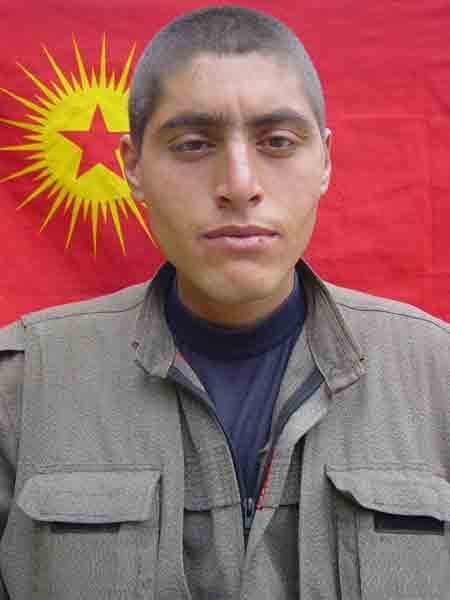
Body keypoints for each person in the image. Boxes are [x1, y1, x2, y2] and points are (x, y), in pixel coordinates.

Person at [0, 4, 449, 599]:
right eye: (192, 144)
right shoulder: (22, 389)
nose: (239, 184)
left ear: (325, 161)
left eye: (278, 142)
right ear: (132, 167)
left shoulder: (437, 378)